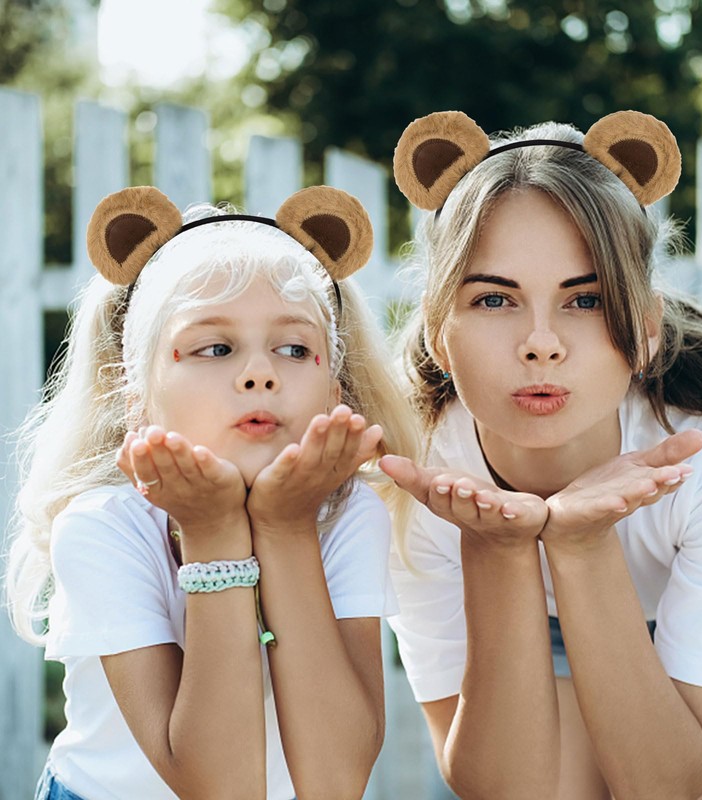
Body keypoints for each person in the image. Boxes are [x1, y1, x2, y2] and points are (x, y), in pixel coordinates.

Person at [380, 110, 702, 799]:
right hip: (520, 609)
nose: (541, 344)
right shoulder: (414, 467)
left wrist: (582, 544)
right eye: (495, 299)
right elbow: (499, 787)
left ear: (647, 329)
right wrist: (496, 547)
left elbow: (666, 783)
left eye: (586, 300)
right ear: (435, 328)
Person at [5, 184, 417, 800]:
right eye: (215, 348)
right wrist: (213, 534)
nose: (260, 373)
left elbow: (335, 783)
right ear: (138, 400)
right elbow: (219, 788)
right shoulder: (102, 527)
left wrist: (286, 528)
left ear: (333, 393)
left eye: (294, 348)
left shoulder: (348, 513)